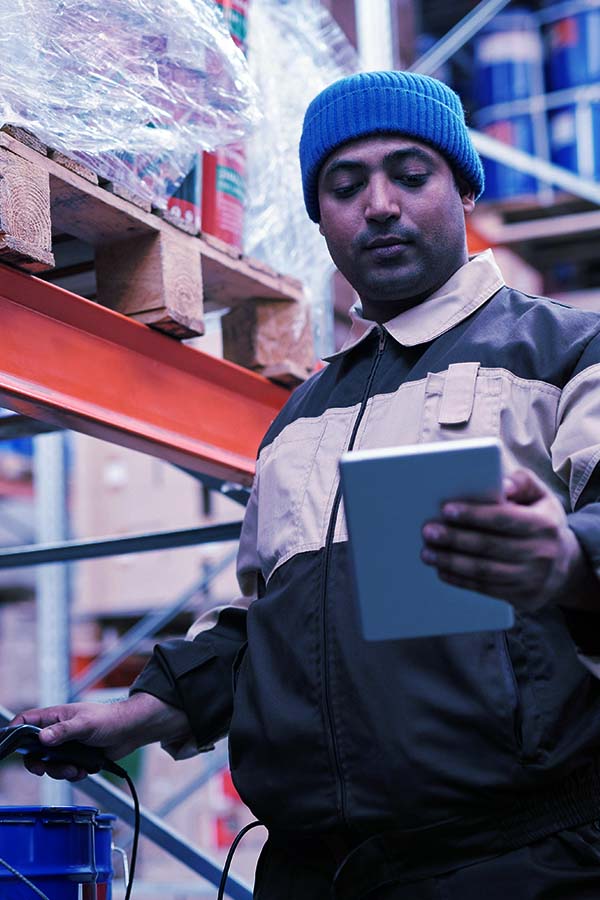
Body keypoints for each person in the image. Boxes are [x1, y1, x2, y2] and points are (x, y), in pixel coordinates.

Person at [12, 71, 600, 899]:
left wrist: (567, 558)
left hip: (514, 864)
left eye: (411, 172)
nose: (381, 205)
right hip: (314, 874)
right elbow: (277, 625)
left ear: (464, 185)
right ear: (320, 216)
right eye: (345, 185)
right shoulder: (301, 419)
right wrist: (146, 711)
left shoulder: (566, 351)